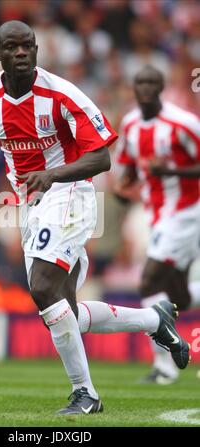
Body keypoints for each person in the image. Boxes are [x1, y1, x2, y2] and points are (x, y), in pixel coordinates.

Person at [0, 22, 190, 414]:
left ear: (36, 49)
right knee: (65, 311)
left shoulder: (62, 94)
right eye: (11, 47)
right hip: (30, 204)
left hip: (70, 192)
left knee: (43, 288)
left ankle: (87, 394)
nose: (20, 53)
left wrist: (52, 174)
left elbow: (102, 157)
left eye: (27, 45)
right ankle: (154, 320)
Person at [114, 65, 200, 384]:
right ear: (134, 88)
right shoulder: (131, 124)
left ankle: (164, 367)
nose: (146, 87)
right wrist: (122, 188)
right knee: (178, 295)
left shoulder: (183, 124)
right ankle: (165, 360)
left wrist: (172, 172)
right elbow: (130, 170)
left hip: (187, 212)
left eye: (152, 82)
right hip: (157, 214)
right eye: (141, 81)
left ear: (162, 87)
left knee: (149, 282)